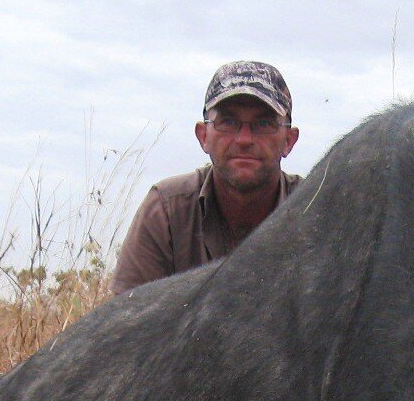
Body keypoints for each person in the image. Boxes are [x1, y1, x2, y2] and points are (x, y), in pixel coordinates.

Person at [111, 61, 301, 295]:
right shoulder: (167, 211)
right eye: (228, 122)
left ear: (289, 140)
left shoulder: (316, 210)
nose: (244, 139)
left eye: (263, 124)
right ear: (203, 136)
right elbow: (129, 320)